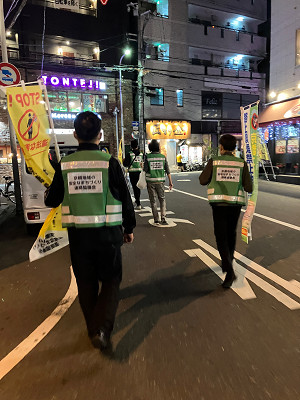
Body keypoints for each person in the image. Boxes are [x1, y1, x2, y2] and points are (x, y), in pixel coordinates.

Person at [44, 111, 136, 351]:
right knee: (111, 280)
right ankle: (102, 328)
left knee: (85, 282)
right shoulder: (109, 162)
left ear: (75, 135)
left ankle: (93, 329)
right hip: (108, 234)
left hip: (79, 236)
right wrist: (129, 227)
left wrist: (49, 188)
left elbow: (51, 200)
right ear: (100, 134)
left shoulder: (66, 165)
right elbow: (125, 198)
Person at [199, 134, 253, 288]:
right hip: (235, 205)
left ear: (221, 147)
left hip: (219, 205)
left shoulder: (214, 161)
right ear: (235, 148)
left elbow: (203, 180)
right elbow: (249, 187)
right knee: (231, 234)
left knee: (221, 236)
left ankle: (229, 270)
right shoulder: (241, 163)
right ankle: (229, 262)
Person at [144, 139, 173, 225]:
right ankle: (163, 217)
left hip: (150, 181)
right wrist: (170, 182)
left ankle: (156, 219)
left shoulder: (147, 157)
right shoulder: (162, 157)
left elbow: (145, 170)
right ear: (158, 147)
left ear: (150, 148)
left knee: (153, 201)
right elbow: (167, 170)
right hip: (160, 181)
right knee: (162, 199)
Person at [123, 139, 143, 210]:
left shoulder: (129, 154)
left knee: (134, 187)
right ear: (137, 145)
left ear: (131, 146)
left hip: (132, 173)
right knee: (138, 187)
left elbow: (125, 164)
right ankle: (138, 201)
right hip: (139, 172)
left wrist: (124, 160)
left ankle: (138, 203)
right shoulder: (141, 154)